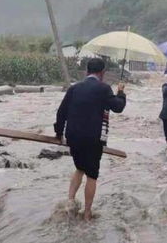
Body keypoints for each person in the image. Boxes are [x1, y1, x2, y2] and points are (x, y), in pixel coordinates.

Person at [54, 58, 126, 221]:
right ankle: (87, 213)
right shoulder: (104, 88)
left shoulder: (74, 88)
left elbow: (61, 112)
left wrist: (59, 133)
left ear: (87, 71)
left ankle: (70, 202)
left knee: (80, 168)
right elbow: (118, 107)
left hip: (73, 136)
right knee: (92, 175)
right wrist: (121, 92)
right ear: (102, 73)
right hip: (93, 138)